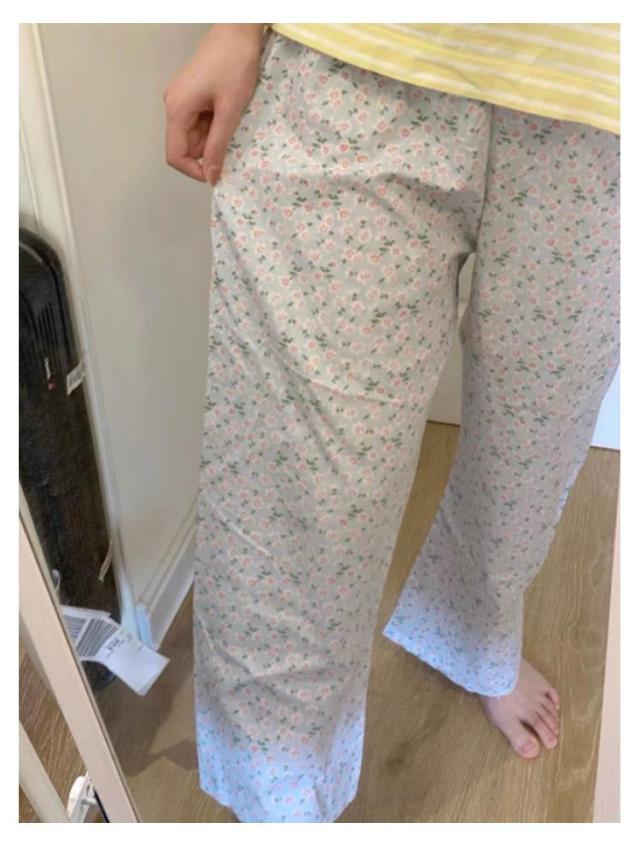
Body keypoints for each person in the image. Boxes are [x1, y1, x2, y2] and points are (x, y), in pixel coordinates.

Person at [163, 23, 620, 823]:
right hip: (354, 57)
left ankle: (473, 634)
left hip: (605, 105)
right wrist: (238, 20)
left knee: (532, 445)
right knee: (300, 493)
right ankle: (282, 800)